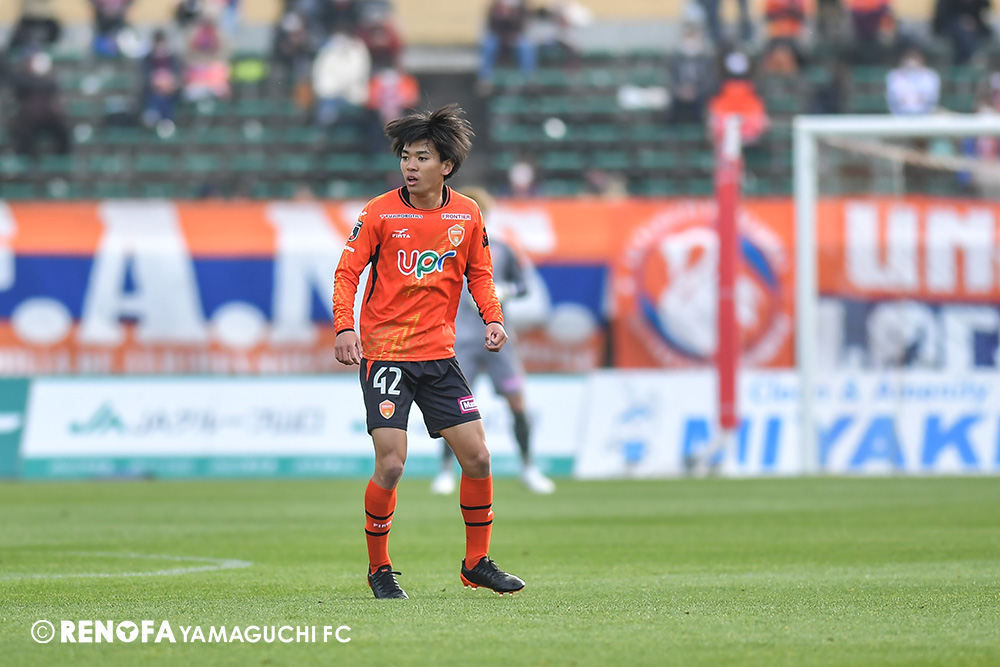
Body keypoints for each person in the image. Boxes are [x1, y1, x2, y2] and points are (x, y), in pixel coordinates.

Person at [332, 104, 526, 600]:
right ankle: (379, 569)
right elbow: (347, 273)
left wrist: (494, 318)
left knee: (478, 457)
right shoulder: (379, 212)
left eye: (422, 157)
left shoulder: (467, 214)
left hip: (439, 357)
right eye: (405, 157)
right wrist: (345, 327)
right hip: (387, 356)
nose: (410, 166)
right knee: (392, 465)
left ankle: (476, 563)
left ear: (447, 166)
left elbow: (480, 272)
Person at [430, 187, 555, 497]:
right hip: (460, 341)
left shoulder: (501, 249)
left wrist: (505, 291)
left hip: (499, 339)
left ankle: (528, 467)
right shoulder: (442, 250)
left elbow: (524, 286)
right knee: (453, 408)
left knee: (517, 401)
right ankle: (445, 471)